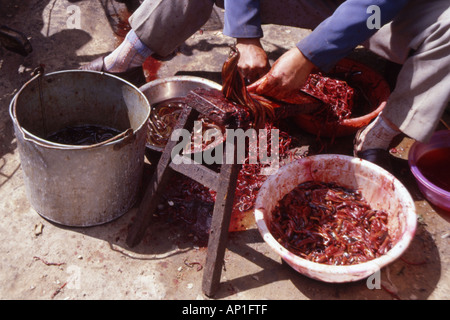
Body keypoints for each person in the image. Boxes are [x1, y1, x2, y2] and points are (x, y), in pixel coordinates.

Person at [81, 0, 450, 170]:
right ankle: (128, 57)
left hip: (385, 12)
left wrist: (309, 55)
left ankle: (380, 134)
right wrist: (245, 36)